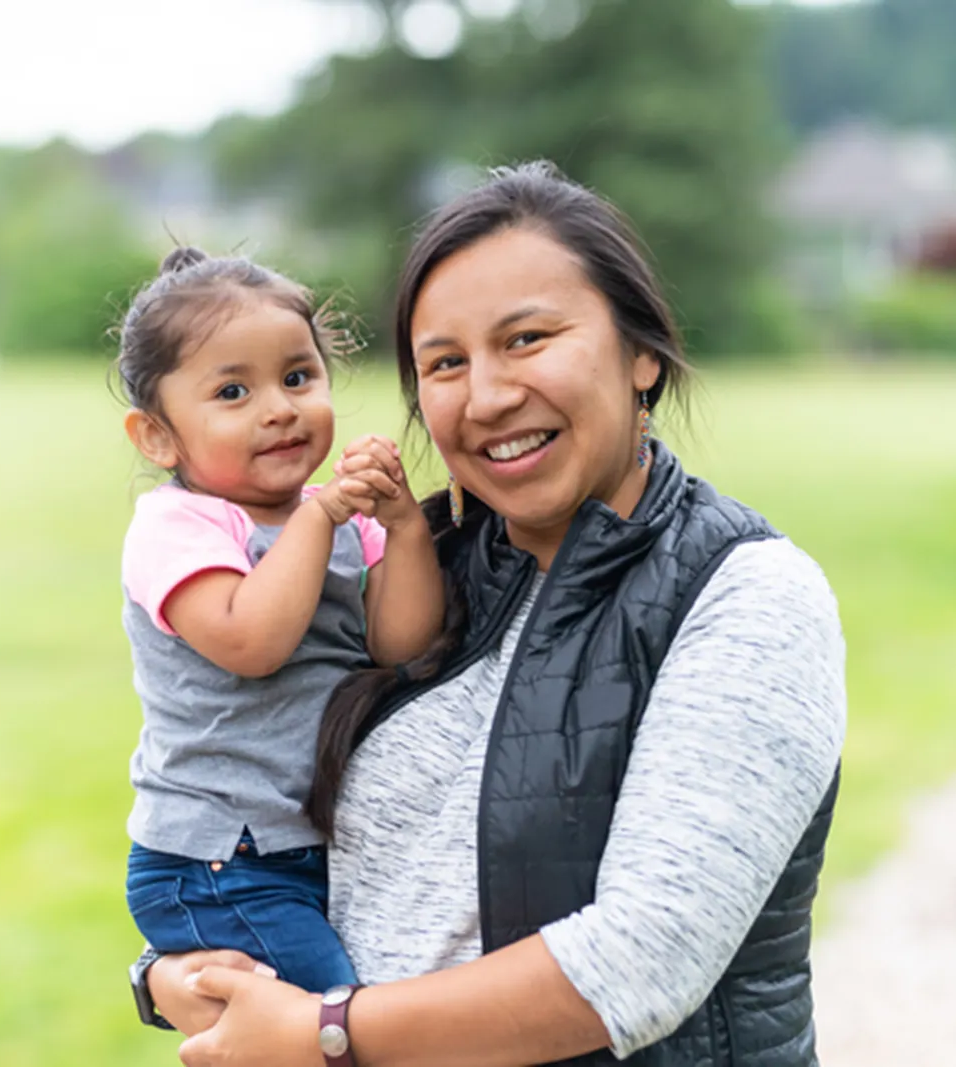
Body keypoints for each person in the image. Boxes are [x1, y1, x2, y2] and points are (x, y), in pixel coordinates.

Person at [134, 163, 847, 1067]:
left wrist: (326, 1033)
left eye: (528, 339)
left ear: (641, 354)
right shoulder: (413, 568)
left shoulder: (746, 596)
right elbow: (259, 809)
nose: (486, 395)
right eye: (445, 362)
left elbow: (642, 960)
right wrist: (167, 970)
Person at [114, 247, 447, 995]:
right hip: (216, 860)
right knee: (332, 1019)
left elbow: (399, 644)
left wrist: (404, 530)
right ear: (158, 436)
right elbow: (252, 641)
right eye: (233, 391)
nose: (278, 407)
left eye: (298, 377)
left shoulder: (332, 524)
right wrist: (323, 515)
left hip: (303, 849)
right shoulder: (178, 525)